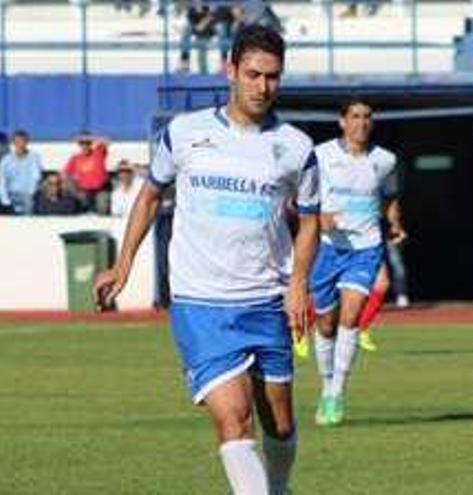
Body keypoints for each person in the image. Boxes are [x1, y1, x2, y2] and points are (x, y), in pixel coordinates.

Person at [93, 25, 320, 495]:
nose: (263, 87)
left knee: (278, 423)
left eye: (273, 77)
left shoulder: (297, 148)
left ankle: (279, 488)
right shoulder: (184, 133)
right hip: (201, 303)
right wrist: (123, 264)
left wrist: (298, 282)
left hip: (267, 300)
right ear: (230, 70)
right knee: (233, 420)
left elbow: (312, 222)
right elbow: (150, 196)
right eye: (254, 74)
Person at [309, 98, 404, 427]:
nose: (362, 123)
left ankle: (336, 393)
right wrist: (319, 217)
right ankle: (325, 385)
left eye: (367, 117)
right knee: (325, 324)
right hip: (327, 248)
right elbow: (300, 195)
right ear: (342, 121)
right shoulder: (321, 155)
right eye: (355, 116)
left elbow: (390, 197)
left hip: (366, 247)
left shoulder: (385, 160)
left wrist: (394, 224)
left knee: (351, 317)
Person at [63, 132, 109, 213]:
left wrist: (92, 138)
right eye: (82, 143)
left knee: (102, 204)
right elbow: (65, 174)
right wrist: (77, 191)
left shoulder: (98, 152)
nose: (85, 146)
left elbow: (106, 141)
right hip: (84, 192)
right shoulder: (75, 158)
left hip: (100, 190)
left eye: (87, 143)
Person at [0, 129, 43, 215]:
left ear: (27, 142)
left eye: (22, 141)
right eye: (17, 141)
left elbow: (36, 177)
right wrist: (5, 199)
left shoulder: (34, 157)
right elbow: (2, 180)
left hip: (28, 194)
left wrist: (30, 193)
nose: (20, 144)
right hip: (10, 193)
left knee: (30, 205)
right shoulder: (6, 160)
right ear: (14, 143)